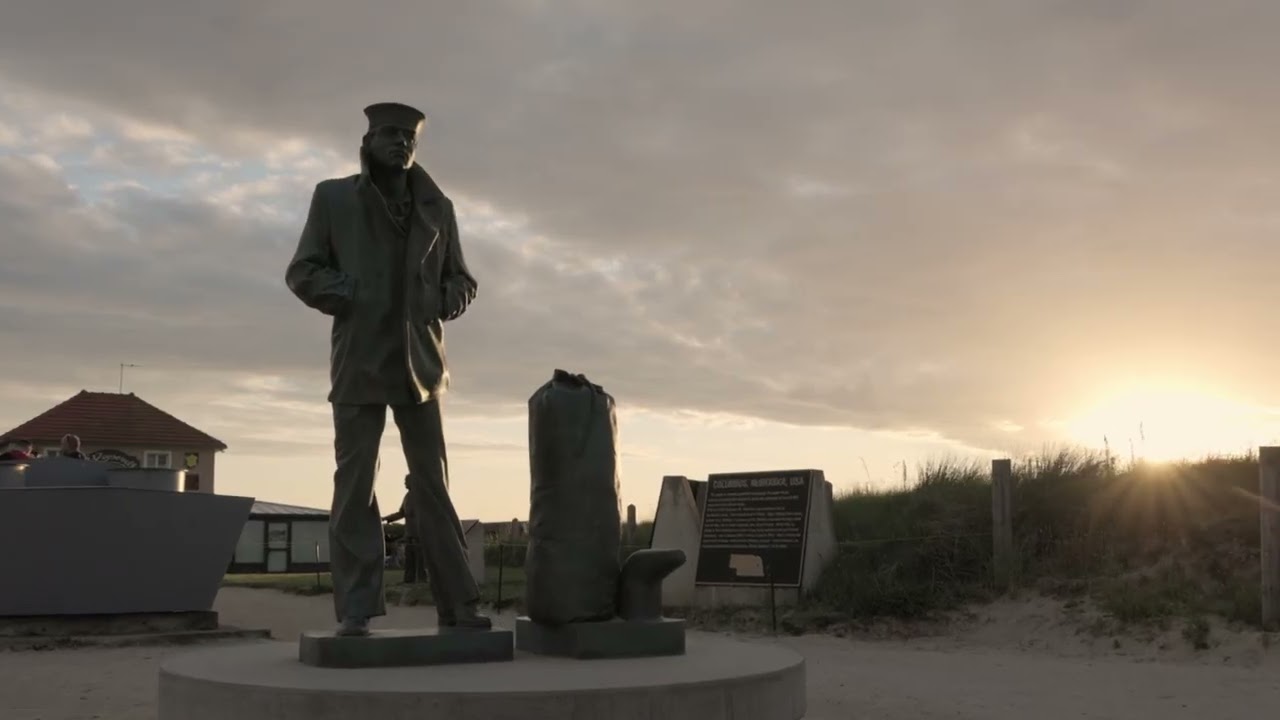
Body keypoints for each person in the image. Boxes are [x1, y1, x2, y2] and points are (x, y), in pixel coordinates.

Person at [285, 101, 486, 637]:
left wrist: (449, 296)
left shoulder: (437, 206)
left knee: (433, 487)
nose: (402, 144)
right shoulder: (333, 198)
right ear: (369, 139)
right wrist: (351, 292)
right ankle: (356, 607)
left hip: (421, 364)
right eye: (391, 134)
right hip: (359, 360)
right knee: (355, 486)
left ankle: (458, 606)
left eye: (410, 137)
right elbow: (302, 270)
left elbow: (463, 278)